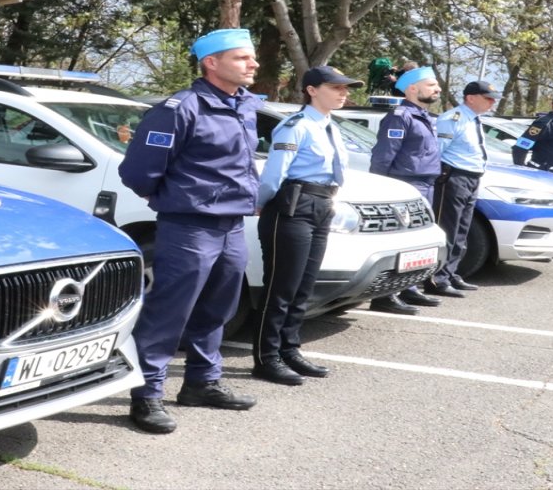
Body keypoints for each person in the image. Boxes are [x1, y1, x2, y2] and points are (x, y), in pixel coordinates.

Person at [118, 28, 261, 434]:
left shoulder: (244, 105)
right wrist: (177, 198)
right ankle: (147, 393)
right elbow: (138, 171)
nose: (253, 64)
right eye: (242, 58)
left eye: (251, 57)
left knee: (218, 309)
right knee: (169, 311)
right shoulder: (180, 108)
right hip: (189, 226)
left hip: (232, 224)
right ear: (211, 63)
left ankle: (202, 382)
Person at [253, 66, 362, 386]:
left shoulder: (330, 126)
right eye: (335, 87)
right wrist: (261, 203)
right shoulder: (296, 126)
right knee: (281, 287)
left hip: (321, 205)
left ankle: (289, 349)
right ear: (312, 90)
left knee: (303, 286)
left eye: (345, 88)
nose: (343, 93)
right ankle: (267, 357)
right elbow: (274, 173)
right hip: (293, 207)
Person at [367, 66, 451, 314]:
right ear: (412, 89)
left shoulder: (424, 116)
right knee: (398, 241)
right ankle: (385, 295)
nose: (438, 89)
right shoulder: (400, 116)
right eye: (431, 85)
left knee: (417, 242)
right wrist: (379, 187)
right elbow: (383, 155)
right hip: (405, 185)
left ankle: (409, 287)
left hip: (425, 185)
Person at [432, 80, 499, 292]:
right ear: (470, 98)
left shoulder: (474, 119)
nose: (492, 103)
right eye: (488, 98)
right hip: (454, 177)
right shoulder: (452, 119)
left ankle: (451, 273)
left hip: (471, 178)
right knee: (448, 229)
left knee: (462, 230)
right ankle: (437, 279)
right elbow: (437, 152)